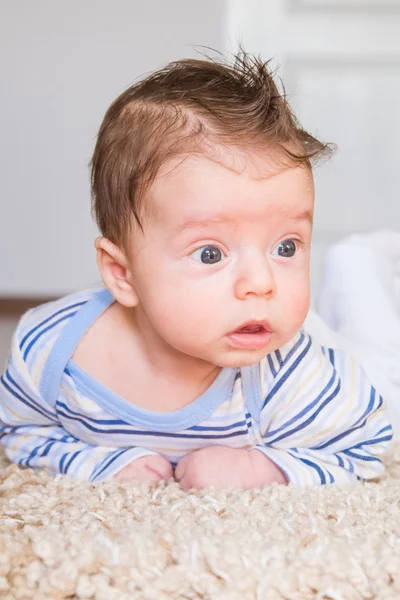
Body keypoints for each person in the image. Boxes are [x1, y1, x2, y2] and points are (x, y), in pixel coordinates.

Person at [0, 49, 393, 490]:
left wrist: (261, 469)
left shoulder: (294, 373)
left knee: (384, 365)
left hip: (336, 354)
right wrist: (96, 462)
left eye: (286, 247)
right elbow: (21, 435)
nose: (261, 284)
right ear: (122, 274)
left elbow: (368, 447)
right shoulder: (50, 353)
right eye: (210, 254)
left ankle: (359, 266)